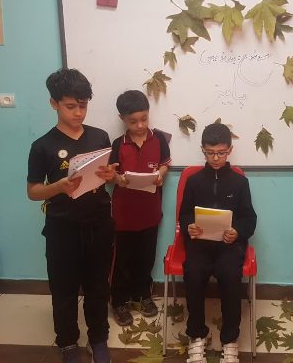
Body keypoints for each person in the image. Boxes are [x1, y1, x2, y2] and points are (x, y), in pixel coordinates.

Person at [26, 68, 118, 363]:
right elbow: (33, 191)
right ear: (53, 103)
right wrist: (59, 187)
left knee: (98, 286)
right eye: (70, 106)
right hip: (62, 228)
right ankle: (67, 342)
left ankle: (98, 338)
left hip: (99, 223)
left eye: (83, 105)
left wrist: (111, 175)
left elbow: (109, 176)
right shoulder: (42, 146)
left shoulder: (100, 136)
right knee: (63, 289)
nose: (78, 113)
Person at [179, 123, 258, 363]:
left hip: (228, 246)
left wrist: (237, 232)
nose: (215, 158)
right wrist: (189, 226)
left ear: (230, 150)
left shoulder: (239, 182)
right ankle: (197, 334)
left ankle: (230, 339)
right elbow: (184, 215)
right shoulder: (194, 181)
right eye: (210, 152)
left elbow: (249, 218)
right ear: (202, 150)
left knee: (231, 275)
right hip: (200, 245)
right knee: (193, 272)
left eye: (221, 153)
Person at [107, 89, 171, 326]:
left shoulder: (159, 139)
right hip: (123, 215)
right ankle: (119, 300)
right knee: (122, 259)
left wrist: (160, 174)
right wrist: (119, 179)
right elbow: (110, 174)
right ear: (122, 119)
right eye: (133, 121)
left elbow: (165, 164)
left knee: (146, 257)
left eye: (144, 119)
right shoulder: (118, 144)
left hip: (150, 212)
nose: (140, 125)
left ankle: (143, 295)